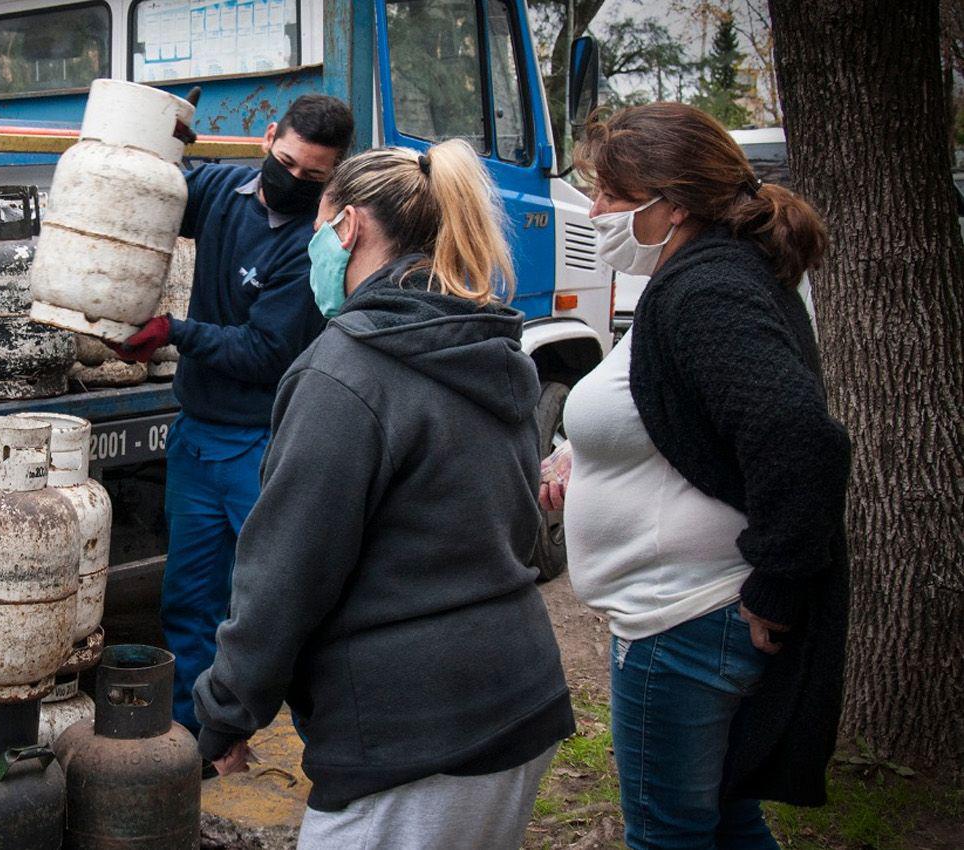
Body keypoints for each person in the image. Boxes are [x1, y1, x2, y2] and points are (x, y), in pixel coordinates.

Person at [191, 140, 575, 850]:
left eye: (317, 231)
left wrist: (225, 712)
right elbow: (516, 525)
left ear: (349, 228)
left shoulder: (345, 371)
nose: (312, 251)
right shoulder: (490, 344)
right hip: (521, 700)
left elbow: (285, 573)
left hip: (412, 736)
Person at [540, 102, 851, 850]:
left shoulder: (708, 291)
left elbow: (799, 437)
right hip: (695, 612)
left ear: (673, 204)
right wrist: (588, 452)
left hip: (685, 617)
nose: (594, 211)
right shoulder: (700, 273)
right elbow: (684, 403)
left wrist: (777, 583)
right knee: (727, 819)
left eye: (611, 195)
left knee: (668, 834)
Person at [114, 94, 354, 747]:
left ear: (333, 174)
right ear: (268, 137)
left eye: (313, 176)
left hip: (262, 443)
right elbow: (154, 196)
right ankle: (204, 740)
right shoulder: (222, 189)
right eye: (287, 162)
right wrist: (152, 149)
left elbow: (264, 352)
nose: (293, 181)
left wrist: (173, 331)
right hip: (197, 437)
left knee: (275, 605)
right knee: (188, 599)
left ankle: (326, 742)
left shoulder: (312, 247)